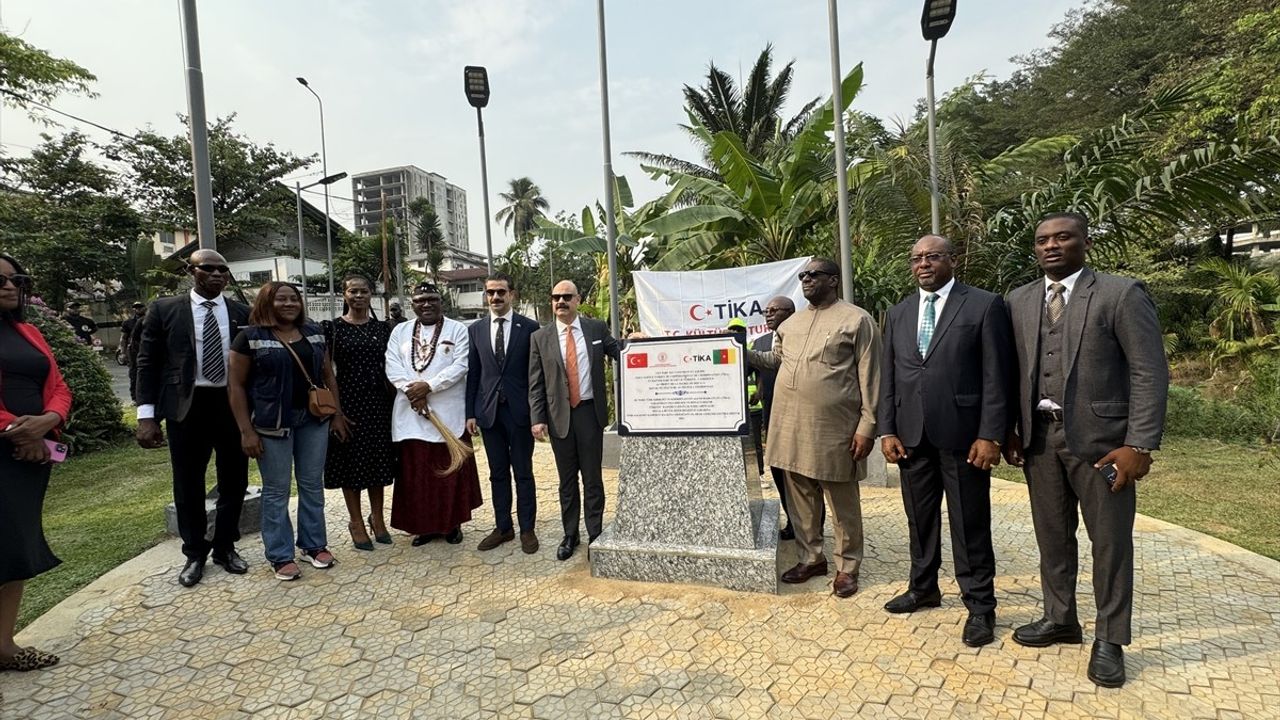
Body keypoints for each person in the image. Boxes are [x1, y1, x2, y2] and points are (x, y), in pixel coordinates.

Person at [1003, 212, 1168, 688]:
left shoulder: (1120, 293)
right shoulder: (1019, 300)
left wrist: (1138, 443)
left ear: (1085, 242)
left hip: (1104, 445)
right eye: (1042, 240)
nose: (1051, 246)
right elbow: (1014, 373)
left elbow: (1148, 372)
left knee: (1110, 544)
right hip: (1039, 440)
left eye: (1063, 237)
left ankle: (1111, 639)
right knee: (1053, 537)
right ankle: (1061, 619)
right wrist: (1010, 429)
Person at [877, 235, 1014, 648]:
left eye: (932, 256)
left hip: (964, 438)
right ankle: (924, 588)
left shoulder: (984, 305)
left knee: (969, 524)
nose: (923, 264)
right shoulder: (898, 313)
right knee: (919, 520)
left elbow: (997, 376)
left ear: (952, 260)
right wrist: (887, 429)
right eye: (916, 257)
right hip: (911, 437)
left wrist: (990, 434)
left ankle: (980, 606)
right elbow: (889, 376)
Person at [747, 258, 880, 598]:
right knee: (800, 497)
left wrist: (867, 425)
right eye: (803, 275)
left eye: (814, 274)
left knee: (841, 501)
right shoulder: (790, 325)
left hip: (834, 428)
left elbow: (872, 377)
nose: (806, 280)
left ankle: (848, 566)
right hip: (789, 425)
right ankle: (811, 557)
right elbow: (775, 361)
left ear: (833, 280)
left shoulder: (856, 319)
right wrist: (739, 351)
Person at [136, 250, 252, 588]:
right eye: (209, 268)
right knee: (188, 483)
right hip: (186, 407)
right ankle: (195, 552)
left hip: (231, 404)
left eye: (223, 270)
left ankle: (225, 546)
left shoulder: (241, 312)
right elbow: (146, 363)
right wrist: (147, 416)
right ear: (192, 271)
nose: (217, 275)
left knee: (235, 481)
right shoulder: (164, 309)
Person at [228, 281, 346, 581]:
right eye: (281, 299)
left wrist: (337, 415)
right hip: (271, 424)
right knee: (277, 490)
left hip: (313, 420)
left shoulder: (314, 332)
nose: (289, 303)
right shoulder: (249, 337)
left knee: (311, 485)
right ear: (267, 302)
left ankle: (313, 544)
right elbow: (236, 387)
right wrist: (246, 431)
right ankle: (280, 555)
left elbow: (326, 375)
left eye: (294, 298)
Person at [0, 254, 71, 672]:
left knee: (16, 550)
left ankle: (4, 644)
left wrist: (49, 421)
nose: (9, 287)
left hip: (32, 455)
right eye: (0, 281)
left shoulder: (29, 332)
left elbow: (58, 386)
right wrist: (18, 431)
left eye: (15, 280)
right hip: (11, 449)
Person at [529, 280, 620, 562]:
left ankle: (595, 533)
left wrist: (637, 342)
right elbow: (535, 382)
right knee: (566, 481)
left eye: (567, 297)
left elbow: (618, 351)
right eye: (556, 297)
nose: (561, 302)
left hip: (589, 414)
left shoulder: (595, 329)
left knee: (592, 478)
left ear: (577, 299)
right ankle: (570, 534)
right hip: (559, 418)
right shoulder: (540, 337)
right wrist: (537, 418)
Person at [385, 282, 482, 546]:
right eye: (420, 300)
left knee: (448, 474)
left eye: (431, 299)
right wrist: (411, 391)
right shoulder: (400, 332)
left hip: (447, 414)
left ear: (441, 301)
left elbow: (461, 366)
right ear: (412, 304)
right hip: (411, 413)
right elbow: (392, 365)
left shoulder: (458, 329)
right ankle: (424, 527)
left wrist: (429, 386)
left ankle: (452, 525)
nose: (426, 304)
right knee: (417, 476)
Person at [466, 272, 541, 554]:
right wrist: (470, 412)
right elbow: (473, 374)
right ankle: (503, 527)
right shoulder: (475, 330)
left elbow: (537, 376)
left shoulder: (530, 328)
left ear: (512, 294)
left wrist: (538, 414)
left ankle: (527, 528)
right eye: (490, 293)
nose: (495, 297)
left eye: (500, 292)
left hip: (520, 413)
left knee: (523, 472)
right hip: (489, 414)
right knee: (497, 473)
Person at [323, 275, 396, 551]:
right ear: (344, 295)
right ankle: (356, 522)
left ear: (371, 294)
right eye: (353, 291)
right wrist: (336, 412)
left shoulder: (383, 328)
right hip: (348, 403)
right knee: (351, 465)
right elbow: (326, 371)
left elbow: (391, 366)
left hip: (379, 404)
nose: (358, 296)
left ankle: (377, 518)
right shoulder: (333, 328)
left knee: (377, 464)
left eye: (364, 291)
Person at [752, 295, 801, 540]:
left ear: (790, 312)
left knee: (802, 477)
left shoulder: (802, 337)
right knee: (779, 473)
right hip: (771, 418)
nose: (769, 314)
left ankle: (812, 527)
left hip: (798, 418)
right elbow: (746, 370)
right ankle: (793, 522)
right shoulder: (759, 342)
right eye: (766, 311)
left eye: (774, 310)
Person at [727, 318, 764, 477]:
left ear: (744, 332)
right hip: (733, 408)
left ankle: (760, 472)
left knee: (755, 443)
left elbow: (760, 373)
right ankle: (739, 475)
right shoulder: (723, 349)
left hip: (752, 407)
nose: (735, 332)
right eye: (732, 330)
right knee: (736, 444)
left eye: (739, 330)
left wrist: (758, 393)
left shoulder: (750, 349)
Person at [120, 302, 146, 403]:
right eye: (136, 308)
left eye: (140, 307)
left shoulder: (152, 320)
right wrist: (123, 352)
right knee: (134, 374)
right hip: (134, 351)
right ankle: (135, 398)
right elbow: (124, 338)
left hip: (148, 350)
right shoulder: (128, 323)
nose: (138, 309)